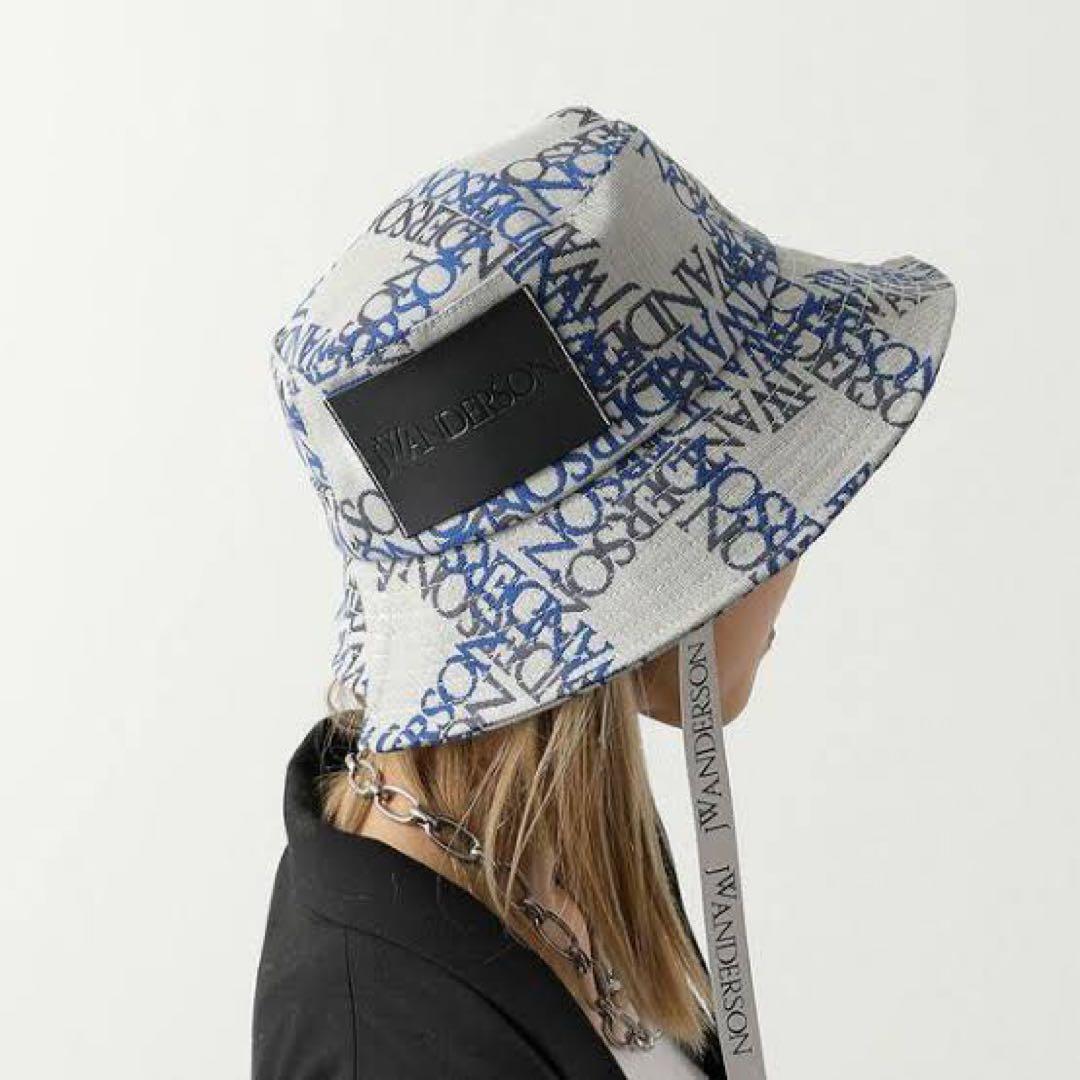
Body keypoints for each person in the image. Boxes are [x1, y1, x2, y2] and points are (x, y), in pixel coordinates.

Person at [253, 106, 955, 1080]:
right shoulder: (383, 1040)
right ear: (664, 559)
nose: (795, 552)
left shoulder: (552, 832)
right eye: (777, 495)